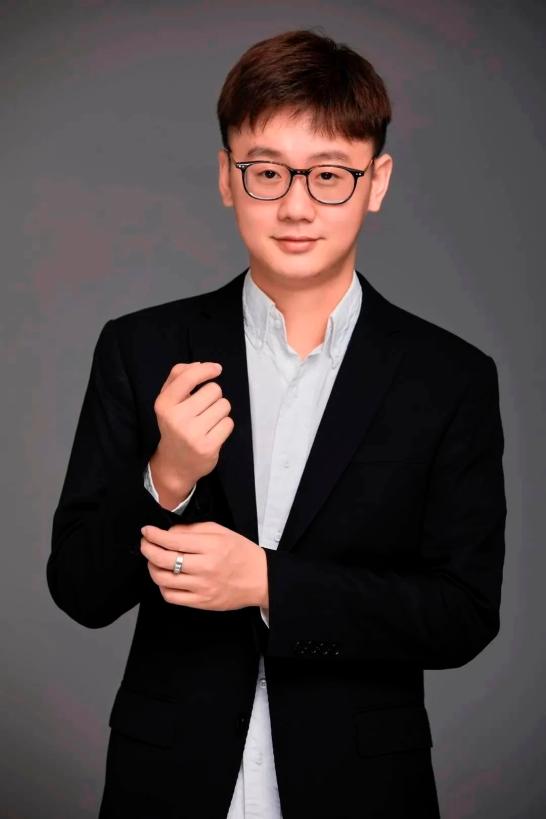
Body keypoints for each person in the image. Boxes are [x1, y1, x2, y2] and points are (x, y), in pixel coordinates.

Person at [47, 28, 507, 819]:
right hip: (168, 782)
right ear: (228, 178)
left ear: (376, 181)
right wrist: (167, 476)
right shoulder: (141, 347)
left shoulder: (449, 377)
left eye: (329, 174)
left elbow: (462, 614)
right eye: (266, 172)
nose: (296, 205)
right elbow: (80, 590)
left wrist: (268, 583)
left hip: (363, 790)